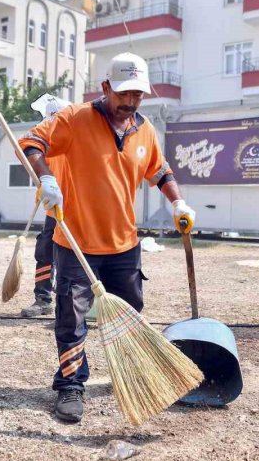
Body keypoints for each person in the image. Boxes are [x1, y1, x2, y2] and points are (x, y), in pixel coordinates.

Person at [18, 53, 196, 423]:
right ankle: (70, 384)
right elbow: (32, 144)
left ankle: (130, 373)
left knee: (130, 314)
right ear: (106, 88)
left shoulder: (144, 130)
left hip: (124, 246)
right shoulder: (74, 118)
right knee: (72, 318)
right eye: (123, 94)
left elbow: (160, 171)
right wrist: (46, 178)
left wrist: (178, 202)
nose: (129, 103)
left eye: (137, 96)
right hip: (76, 242)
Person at [21, 93, 70, 318]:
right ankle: (43, 299)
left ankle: (78, 304)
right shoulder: (43, 142)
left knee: (79, 254)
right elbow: (35, 163)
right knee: (45, 250)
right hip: (53, 208)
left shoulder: (76, 139)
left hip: (78, 208)